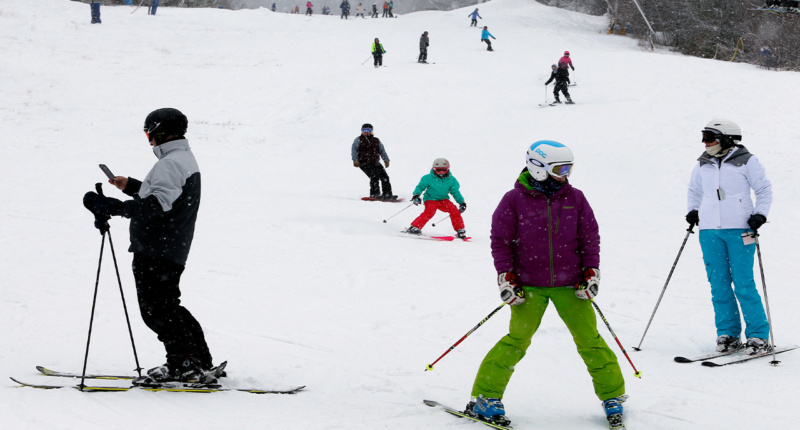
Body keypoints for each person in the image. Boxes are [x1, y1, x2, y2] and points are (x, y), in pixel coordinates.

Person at [466, 141, 626, 430]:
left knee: (590, 340)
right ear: (538, 168)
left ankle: (612, 395)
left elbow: (590, 236)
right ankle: (485, 397)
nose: (565, 174)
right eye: (560, 169)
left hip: (571, 286)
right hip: (529, 286)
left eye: (568, 168)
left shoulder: (575, 198)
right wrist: (506, 275)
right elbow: (500, 242)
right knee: (516, 341)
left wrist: (591, 271)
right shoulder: (513, 200)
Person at [82, 108, 219, 385]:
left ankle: (184, 365)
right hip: (169, 246)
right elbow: (167, 194)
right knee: (169, 307)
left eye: (149, 133)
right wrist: (132, 186)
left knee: (157, 310)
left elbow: (157, 205)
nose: (149, 139)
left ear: (159, 132)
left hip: (157, 247)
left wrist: (117, 207)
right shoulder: (181, 159)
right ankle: (198, 360)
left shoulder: (170, 163)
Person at [686, 119, 773, 356]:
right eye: (704, 137)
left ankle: (758, 336)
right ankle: (729, 333)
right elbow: (694, 190)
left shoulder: (747, 161)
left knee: (744, 283)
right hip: (709, 231)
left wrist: (760, 215)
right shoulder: (703, 163)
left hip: (741, 230)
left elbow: (764, 190)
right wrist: (694, 210)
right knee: (719, 285)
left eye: (710, 137)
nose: (705, 142)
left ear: (726, 138)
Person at [405, 159, 467, 239]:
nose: (441, 171)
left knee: (454, 210)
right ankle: (414, 227)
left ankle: (460, 230)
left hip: (443, 200)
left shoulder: (451, 180)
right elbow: (420, 187)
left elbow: (455, 192)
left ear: (448, 169)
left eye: (443, 169)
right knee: (430, 212)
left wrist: (461, 202)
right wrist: (416, 195)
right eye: (438, 169)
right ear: (434, 169)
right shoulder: (427, 178)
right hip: (431, 199)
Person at [351, 123, 395, 199]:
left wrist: (386, 160)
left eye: (368, 130)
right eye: (364, 130)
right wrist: (355, 160)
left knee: (385, 177)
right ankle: (375, 194)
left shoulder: (376, 140)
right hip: (364, 163)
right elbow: (354, 150)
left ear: (371, 131)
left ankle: (387, 194)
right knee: (374, 176)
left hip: (375, 162)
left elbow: (382, 151)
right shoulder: (358, 140)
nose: (366, 132)